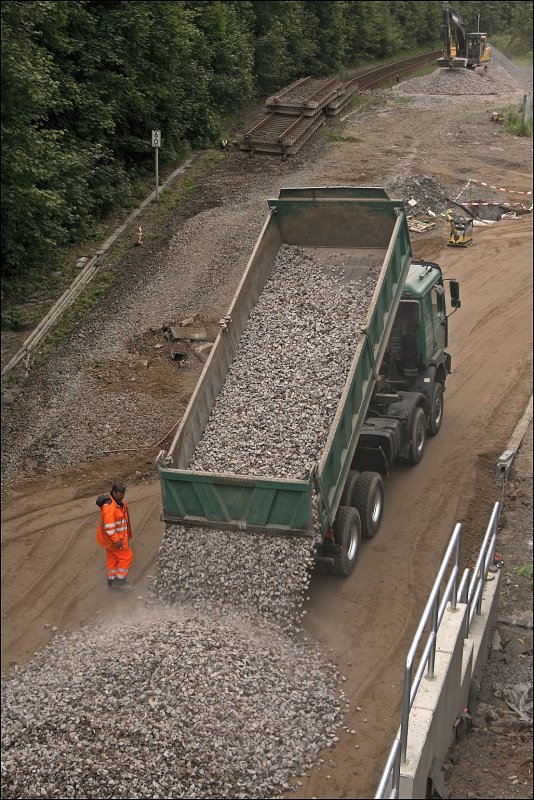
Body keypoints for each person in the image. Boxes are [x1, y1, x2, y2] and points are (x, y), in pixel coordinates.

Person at [96, 481, 135, 591]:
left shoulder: (119, 503)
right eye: (120, 493)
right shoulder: (110, 508)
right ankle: (120, 581)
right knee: (127, 556)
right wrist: (117, 541)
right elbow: (109, 528)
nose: (122, 495)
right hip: (115, 540)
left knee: (112, 560)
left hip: (109, 541)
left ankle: (111, 581)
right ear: (114, 492)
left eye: (123, 493)